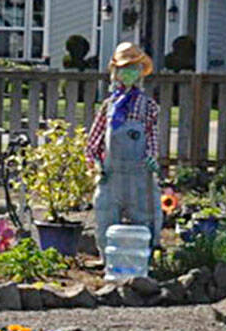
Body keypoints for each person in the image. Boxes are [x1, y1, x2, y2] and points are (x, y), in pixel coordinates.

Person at [85, 42, 161, 260]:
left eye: (133, 68)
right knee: (106, 217)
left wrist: (151, 158)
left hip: (138, 175)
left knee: (144, 217)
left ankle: (144, 260)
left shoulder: (147, 106)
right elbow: (94, 140)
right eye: (123, 68)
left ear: (140, 73)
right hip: (112, 175)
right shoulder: (109, 106)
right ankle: (108, 260)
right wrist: (95, 162)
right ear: (115, 72)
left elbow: (151, 135)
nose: (128, 73)